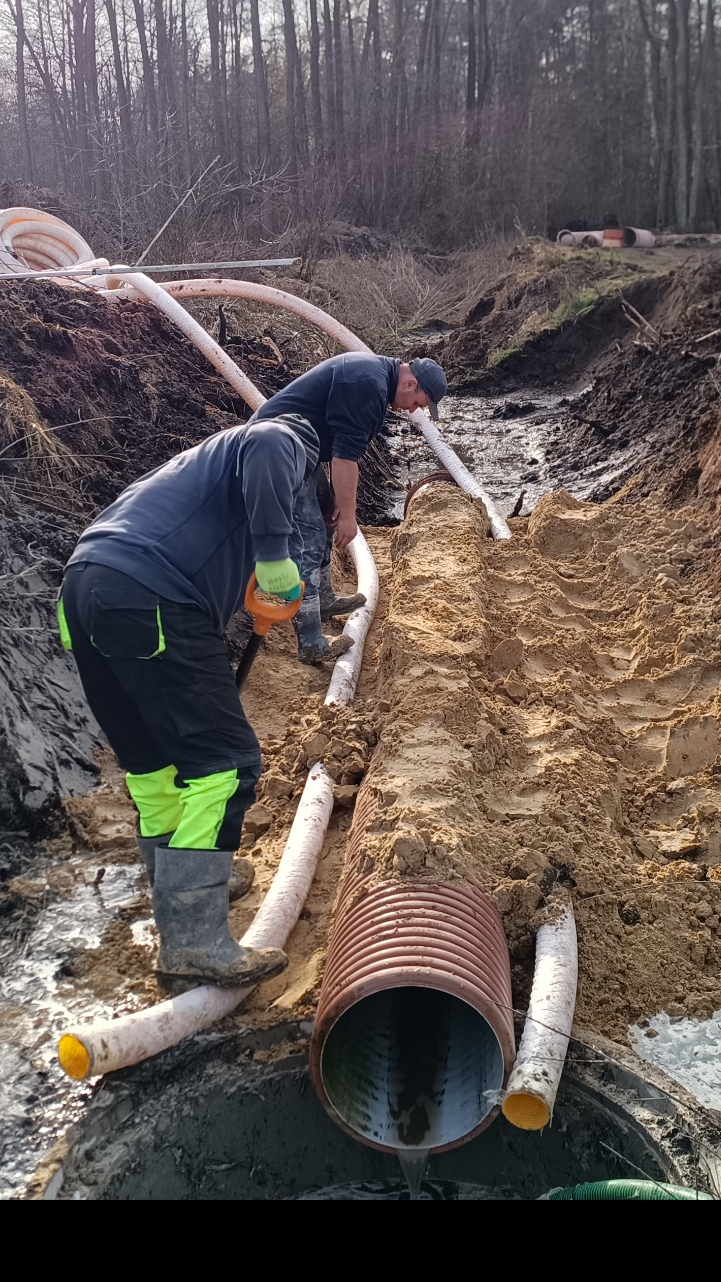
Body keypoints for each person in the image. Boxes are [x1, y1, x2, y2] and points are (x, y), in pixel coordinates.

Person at [56, 412, 321, 988]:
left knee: (153, 763)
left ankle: (179, 882)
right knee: (224, 765)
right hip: (147, 597)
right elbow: (273, 440)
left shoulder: (195, 477)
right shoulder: (285, 439)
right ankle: (194, 941)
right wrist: (277, 556)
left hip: (84, 589)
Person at [248, 354, 449, 664]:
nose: (414, 410)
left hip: (297, 445)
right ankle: (311, 642)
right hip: (274, 450)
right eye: (419, 402)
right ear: (411, 383)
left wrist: (338, 508)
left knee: (325, 516)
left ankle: (324, 601)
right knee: (310, 539)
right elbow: (344, 459)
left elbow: (339, 443)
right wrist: (349, 516)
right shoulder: (369, 385)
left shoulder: (376, 377)